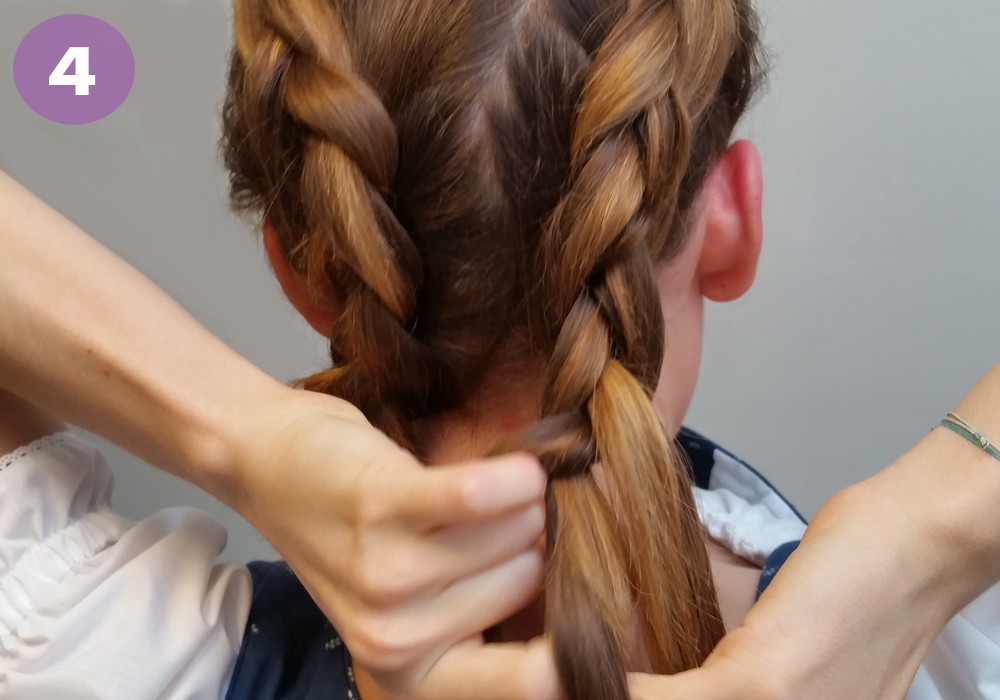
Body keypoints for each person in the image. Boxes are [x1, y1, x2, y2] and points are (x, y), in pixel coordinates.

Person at [1, 2, 999, 700]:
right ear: (732, 217)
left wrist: (245, 433)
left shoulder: (114, 654)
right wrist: (923, 537)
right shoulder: (940, 658)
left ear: (301, 268)